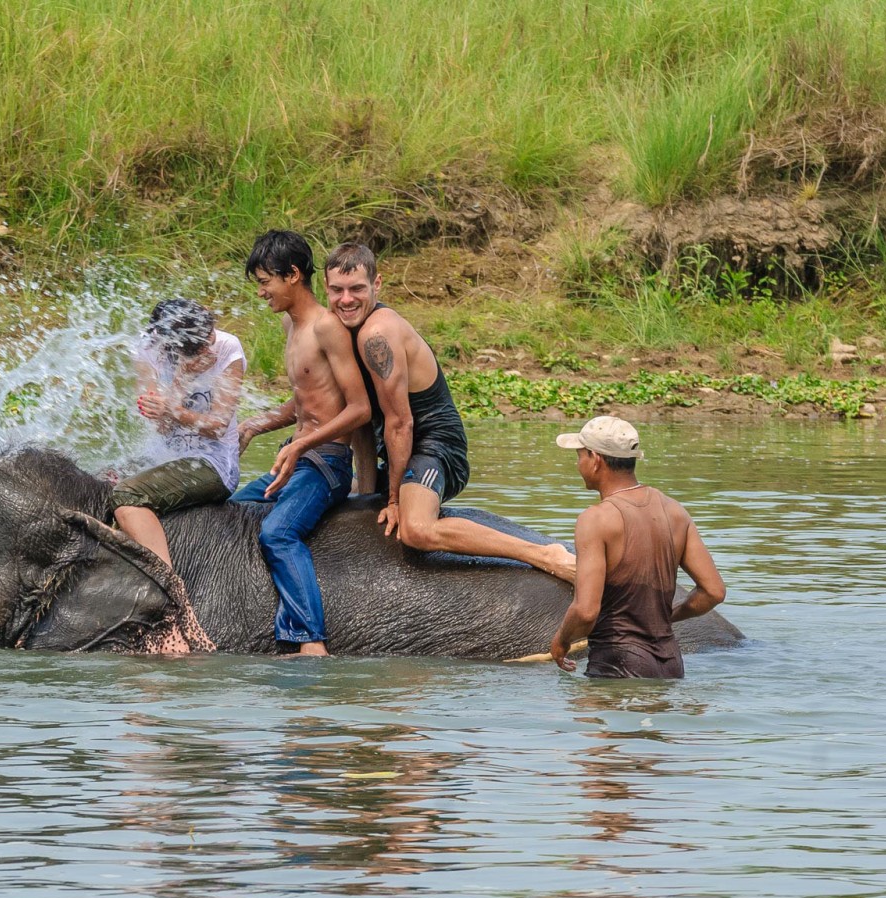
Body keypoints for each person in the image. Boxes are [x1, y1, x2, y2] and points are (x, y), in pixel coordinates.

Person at [322, 242, 577, 581]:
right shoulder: (340, 334)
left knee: (416, 530)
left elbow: (400, 422)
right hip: (399, 449)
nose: (346, 299)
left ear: (377, 285)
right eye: (337, 290)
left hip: (435, 447)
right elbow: (364, 425)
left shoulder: (376, 333)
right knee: (343, 489)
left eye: (357, 289)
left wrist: (396, 501)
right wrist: (369, 496)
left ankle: (544, 554)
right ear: (325, 288)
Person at [233, 230, 371, 656]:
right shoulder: (289, 323)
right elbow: (306, 398)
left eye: (264, 282)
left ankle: (311, 640)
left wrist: (300, 445)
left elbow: (359, 408)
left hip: (326, 464)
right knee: (235, 509)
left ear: (292, 275)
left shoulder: (327, 328)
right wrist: (257, 425)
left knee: (278, 533)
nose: (261, 293)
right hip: (299, 453)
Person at [548, 416, 726, 679]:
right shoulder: (675, 511)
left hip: (618, 663)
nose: (578, 465)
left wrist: (561, 641)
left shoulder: (595, 519)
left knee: (585, 717)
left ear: (595, 459)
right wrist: (668, 618)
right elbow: (714, 591)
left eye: (579, 456)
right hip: (671, 663)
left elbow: (586, 611)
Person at [113, 298, 247, 573]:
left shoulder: (227, 348)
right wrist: (181, 378)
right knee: (103, 480)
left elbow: (217, 426)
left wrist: (172, 408)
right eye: (203, 342)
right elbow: (162, 428)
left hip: (213, 463)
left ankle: (166, 580)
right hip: (165, 455)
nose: (211, 343)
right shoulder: (149, 348)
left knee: (127, 493)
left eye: (210, 333)